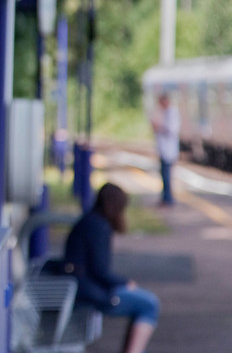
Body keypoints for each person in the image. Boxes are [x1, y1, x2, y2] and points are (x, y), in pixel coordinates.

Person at [63, 183, 160, 353]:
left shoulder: (90, 221)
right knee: (149, 304)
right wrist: (125, 282)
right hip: (90, 292)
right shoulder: (98, 227)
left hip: (82, 286)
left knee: (144, 301)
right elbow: (100, 270)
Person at [151, 92, 180, 206]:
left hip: (169, 150)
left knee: (167, 175)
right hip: (164, 149)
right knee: (164, 174)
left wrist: (158, 127)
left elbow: (171, 130)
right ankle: (165, 198)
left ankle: (168, 199)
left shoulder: (172, 113)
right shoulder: (165, 113)